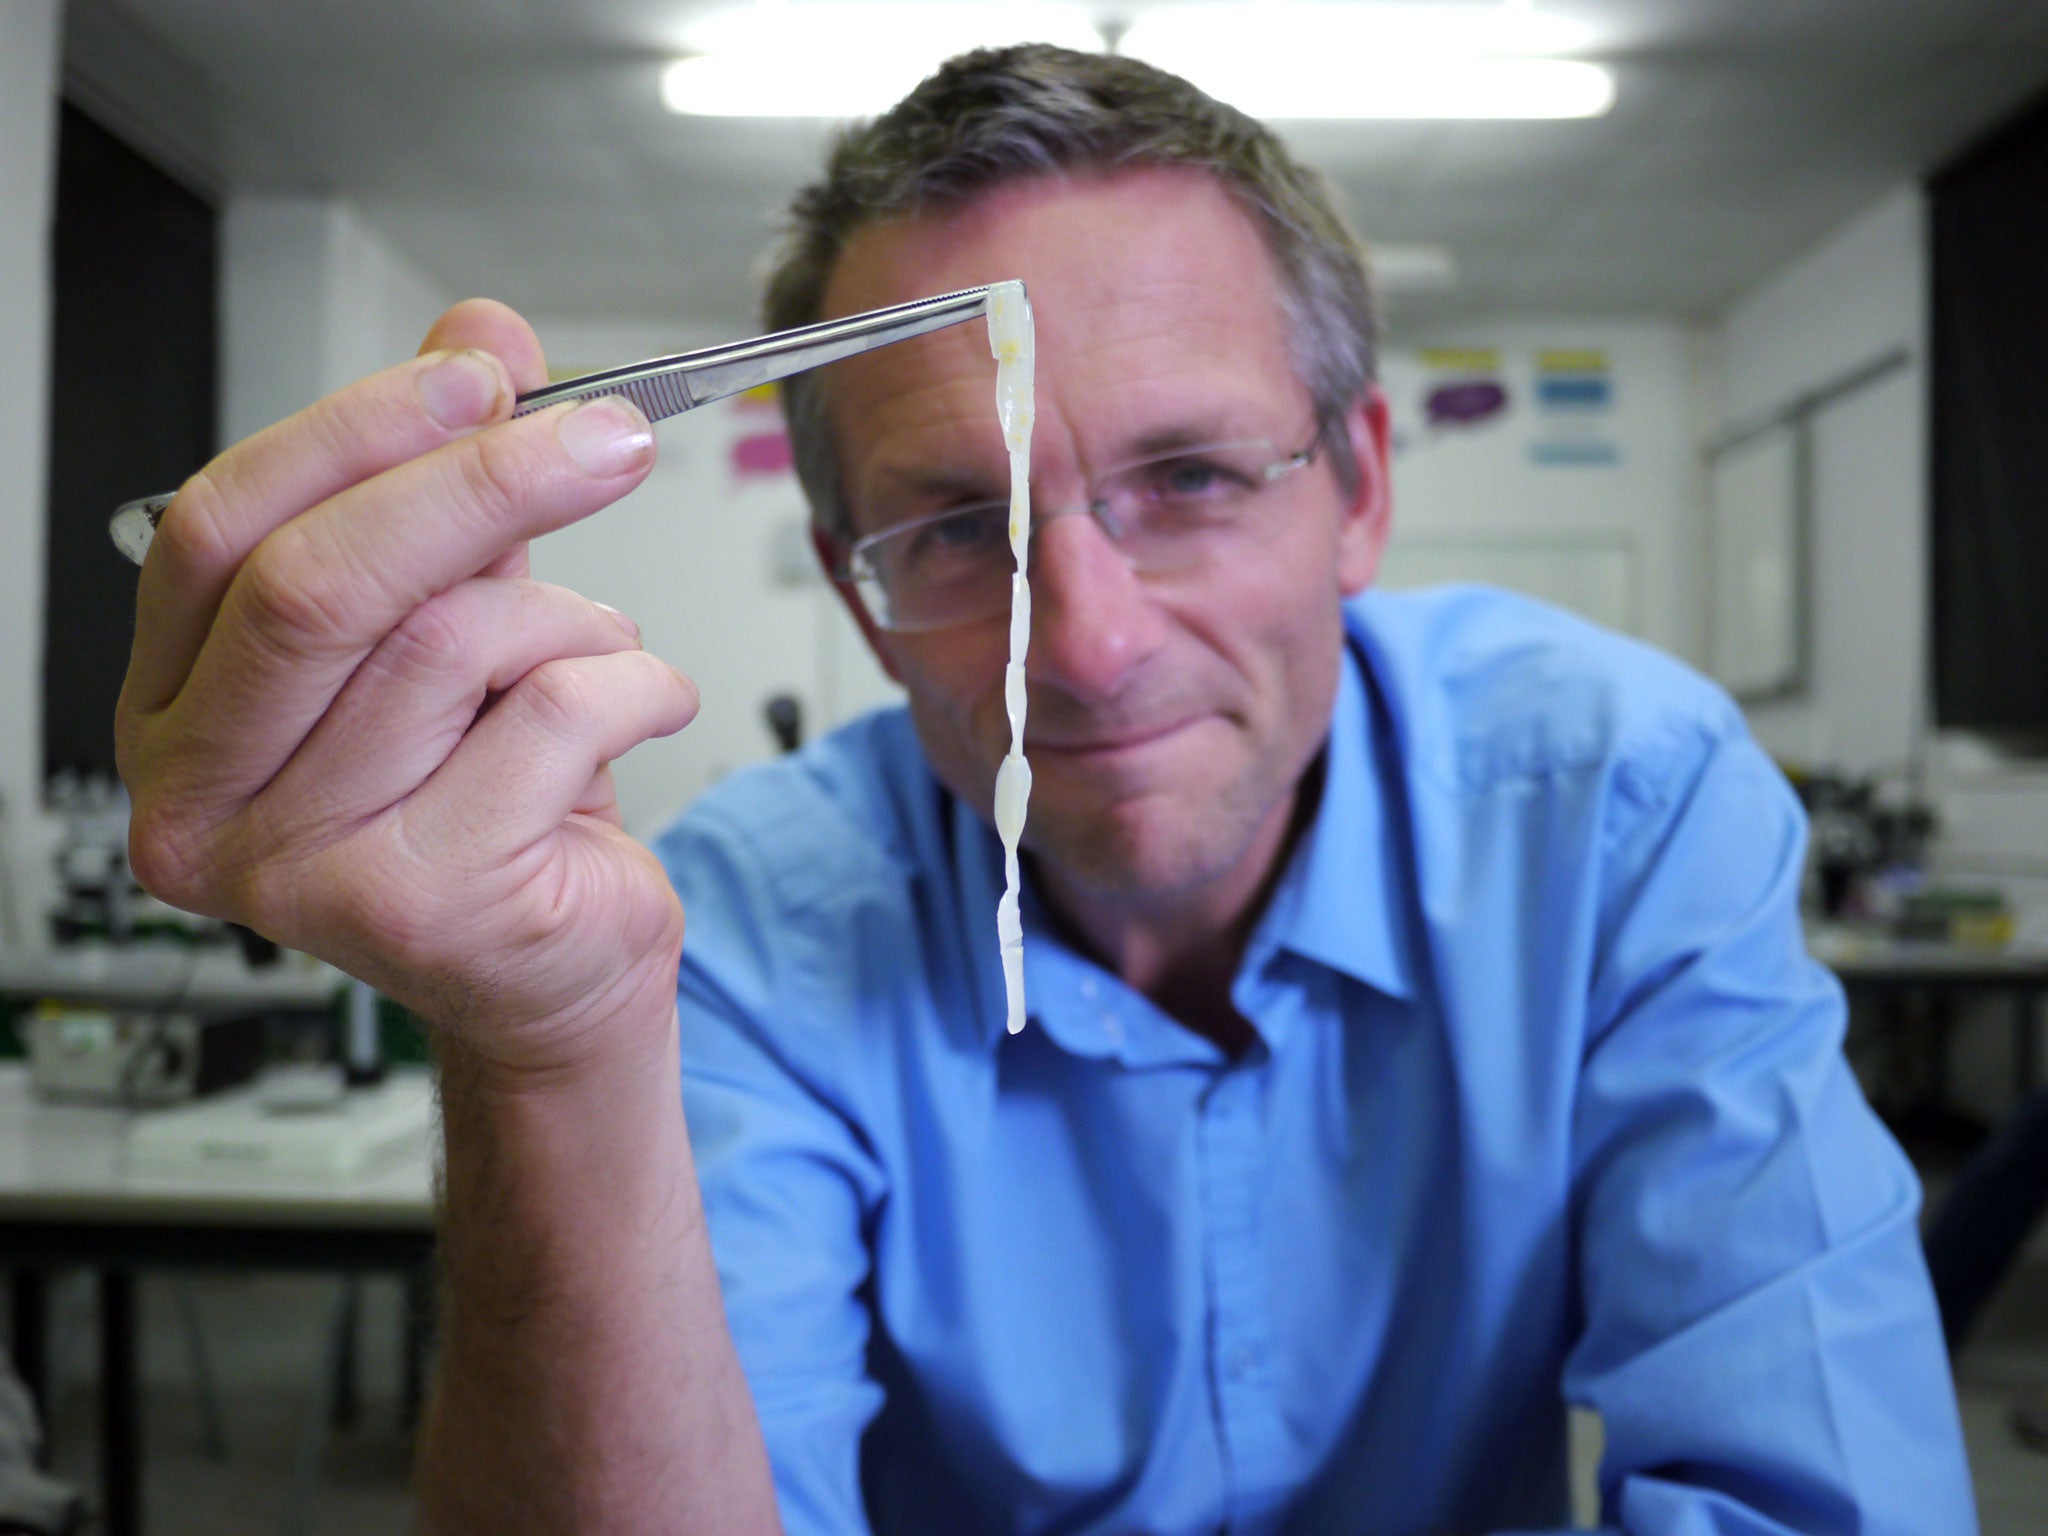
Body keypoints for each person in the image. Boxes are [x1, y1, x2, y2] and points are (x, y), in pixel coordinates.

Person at [113, 43, 1975, 1536]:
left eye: (1190, 477)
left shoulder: (1617, 805)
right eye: (952, 528)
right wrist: (545, 1051)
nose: (1082, 647)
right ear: (854, 589)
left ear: (1365, 491)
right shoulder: (751, 920)